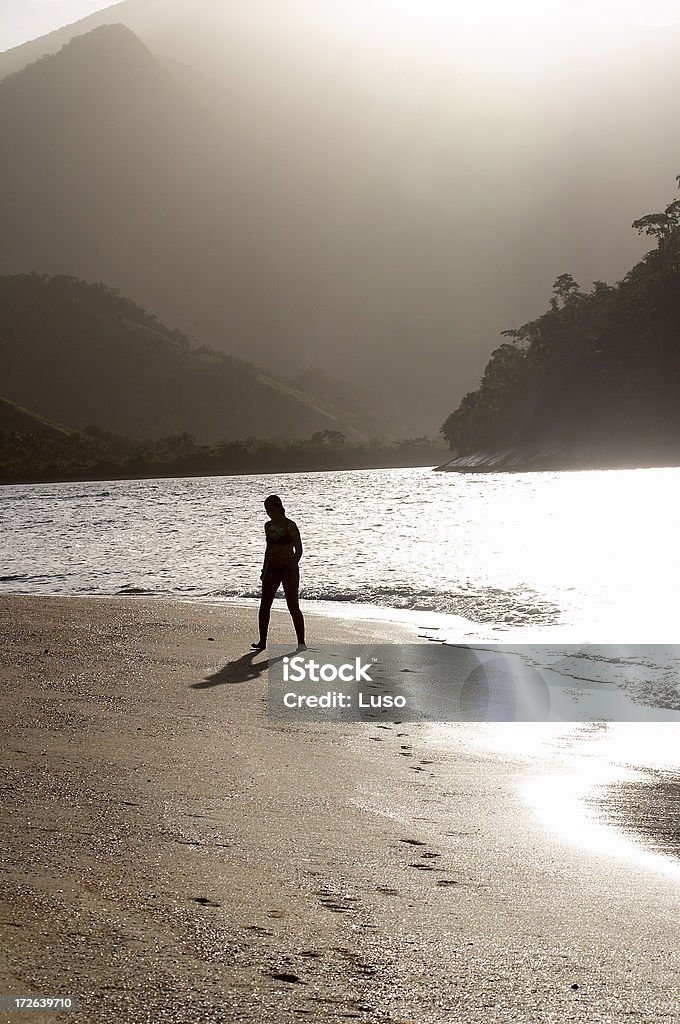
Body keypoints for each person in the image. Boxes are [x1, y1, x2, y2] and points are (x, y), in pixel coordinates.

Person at [251, 494, 305, 650]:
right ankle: (262, 641)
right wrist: (264, 569)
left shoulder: (290, 526)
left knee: (293, 606)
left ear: (278, 508)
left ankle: (301, 643)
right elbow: (268, 550)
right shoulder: (267, 526)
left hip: (289, 570)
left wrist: (290, 567)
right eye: (266, 509)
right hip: (272, 569)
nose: (268, 512)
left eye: (270, 509)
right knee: (264, 605)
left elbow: (299, 551)